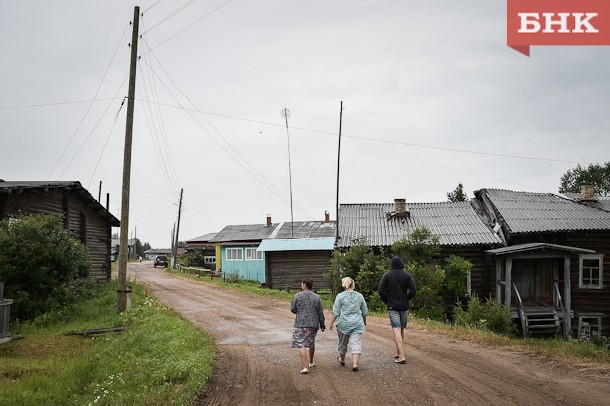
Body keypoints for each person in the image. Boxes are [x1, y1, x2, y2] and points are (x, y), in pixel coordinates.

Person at [378, 256, 417, 364]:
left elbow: (380, 291)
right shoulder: (407, 275)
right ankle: (398, 352)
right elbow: (414, 291)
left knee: (396, 328)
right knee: (401, 329)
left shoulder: (387, 275)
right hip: (404, 305)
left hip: (392, 305)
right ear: (402, 264)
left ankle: (402, 356)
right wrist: (407, 298)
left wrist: (387, 300)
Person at [328, 277, 368, 372]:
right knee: (356, 343)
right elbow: (364, 311)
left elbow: (336, 312)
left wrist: (331, 323)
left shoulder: (340, 296)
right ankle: (355, 364)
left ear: (344, 285)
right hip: (357, 323)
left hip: (343, 324)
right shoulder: (360, 296)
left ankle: (342, 360)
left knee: (343, 343)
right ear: (353, 284)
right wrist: (364, 320)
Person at [290, 277, 326, 374]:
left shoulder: (297, 296)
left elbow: (293, 308)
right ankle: (311, 362)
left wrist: (299, 311)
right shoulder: (317, 297)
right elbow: (320, 313)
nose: (301, 286)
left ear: (305, 284)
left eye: (302, 284)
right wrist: (322, 324)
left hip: (301, 323)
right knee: (311, 343)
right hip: (313, 324)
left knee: (302, 344)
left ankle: (304, 367)